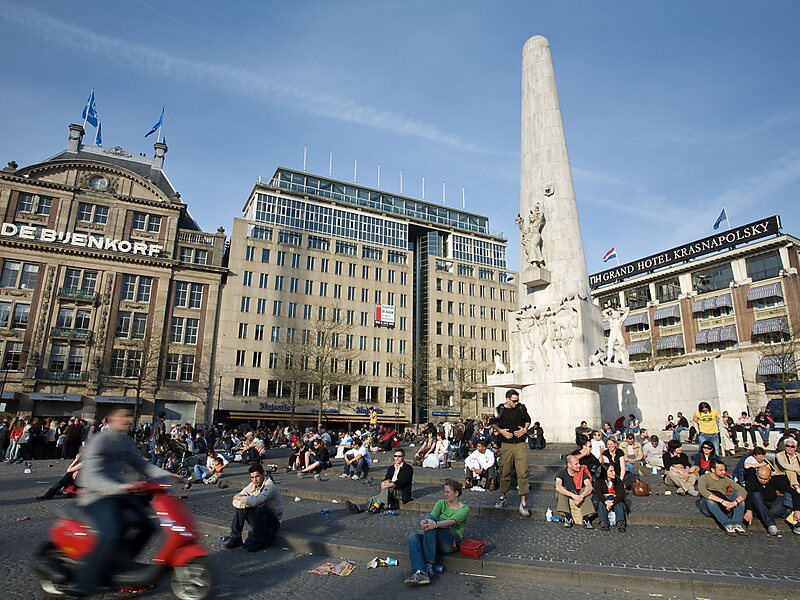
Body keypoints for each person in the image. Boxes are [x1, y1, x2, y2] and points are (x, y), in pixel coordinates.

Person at [69, 407, 172, 597]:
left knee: (147, 524)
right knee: (111, 534)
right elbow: (90, 477)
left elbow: (141, 464)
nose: (127, 420)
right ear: (110, 419)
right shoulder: (99, 441)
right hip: (96, 496)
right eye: (123, 417)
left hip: (117, 493)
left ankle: (122, 565)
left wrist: (168, 475)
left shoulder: (124, 440)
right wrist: (121, 488)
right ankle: (85, 582)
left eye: (128, 417)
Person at [404, 480, 469, 587]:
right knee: (413, 537)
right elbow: (431, 518)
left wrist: (435, 524)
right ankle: (420, 573)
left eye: (448, 492)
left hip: (451, 541)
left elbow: (451, 522)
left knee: (433, 524)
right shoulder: (441, 503)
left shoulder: (464, 509)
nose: (445, 494)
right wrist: (425, 522)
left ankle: (429, 564)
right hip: (435, 538)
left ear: (456, 493)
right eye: (444, 492)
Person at [225, 462, 283, 552]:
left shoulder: (269, 486)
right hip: (258, 519)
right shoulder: (252, 484)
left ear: (263, 474)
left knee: (261, 508)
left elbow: (256, 501)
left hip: (272, 521)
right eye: (252, 477)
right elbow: (236, 498)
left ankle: (259, 541)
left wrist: (244, 500)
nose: (255, 480)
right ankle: (236, 537)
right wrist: (245, 502)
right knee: (241, 508)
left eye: (257, 476)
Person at [491, 389, 531, 517]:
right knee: (505, 471)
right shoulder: (500, 409)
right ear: (507, 399)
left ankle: (523, 502)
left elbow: (528, 420)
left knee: (522, 471)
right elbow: (492, 423)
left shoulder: (521, 408)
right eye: (514, 400)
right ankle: (503, 496)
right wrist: (501, 431)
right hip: (506, 445)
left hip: (520, 444)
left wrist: (524, 430)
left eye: (517, 400)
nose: (516, 402)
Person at [351, 448, 414, 514]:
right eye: (395, 456)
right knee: (378, 495)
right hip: (390, 489)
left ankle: (374, 506)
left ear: (403, 457)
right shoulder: (391, 468)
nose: (397, 458)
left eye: (399, 456)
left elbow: (404, 480)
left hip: (401, 491)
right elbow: (387, 478)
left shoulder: (408, 468)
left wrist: (392, 484)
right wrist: (383, 483)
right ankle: (363, 507)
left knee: (387, 490)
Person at [744, 465, 800, 536]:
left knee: (788, 496)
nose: (762, 480)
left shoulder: (775, 480)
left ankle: (796, 522)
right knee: (756, 495)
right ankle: (770, 524)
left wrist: (797, 510)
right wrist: (748, 510)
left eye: (765, 479)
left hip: (773, 505)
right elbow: (749, 494)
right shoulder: (751, 481)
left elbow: (794, 493)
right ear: (756, 474)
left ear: (770, 477)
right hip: (760, 508)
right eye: (760, 477)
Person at [698, 460, 748, 536]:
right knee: (709, 499)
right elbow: (703, 491)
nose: (724, 472)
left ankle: (736, 523)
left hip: (723, 506)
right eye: (721, 470)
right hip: (708, 507)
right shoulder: (704, 478)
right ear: (713, 470)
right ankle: (726, 524)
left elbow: (743, 491)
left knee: (738, 494)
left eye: (724, 469)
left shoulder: (725, 479)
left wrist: (735, 503)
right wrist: (723, 502)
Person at [555, 454, 595, 528]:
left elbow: (589, 486)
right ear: (569, 465)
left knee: (585, 490)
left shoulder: (582, 472)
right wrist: (572, 495)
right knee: (561, 490)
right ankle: (568, 517)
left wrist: (581, 496)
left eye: (578, 463)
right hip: (569, 494)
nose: (579, 465)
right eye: (576, 464)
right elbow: (558, 486)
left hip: (579, 494)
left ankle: (586, 518)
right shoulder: (561, 473)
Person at [594, 464, 627, 532]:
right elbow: (598, 494)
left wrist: (612, 502)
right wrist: (606, 501)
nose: (613, 473)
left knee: (619, 503)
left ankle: (620, 522)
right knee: (601, 503)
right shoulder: (599, 481)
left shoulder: (618, 481)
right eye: (611, 471)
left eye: (614, 470)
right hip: (604, 500)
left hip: (614, 500)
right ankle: (603, 522)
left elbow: (621, 494)